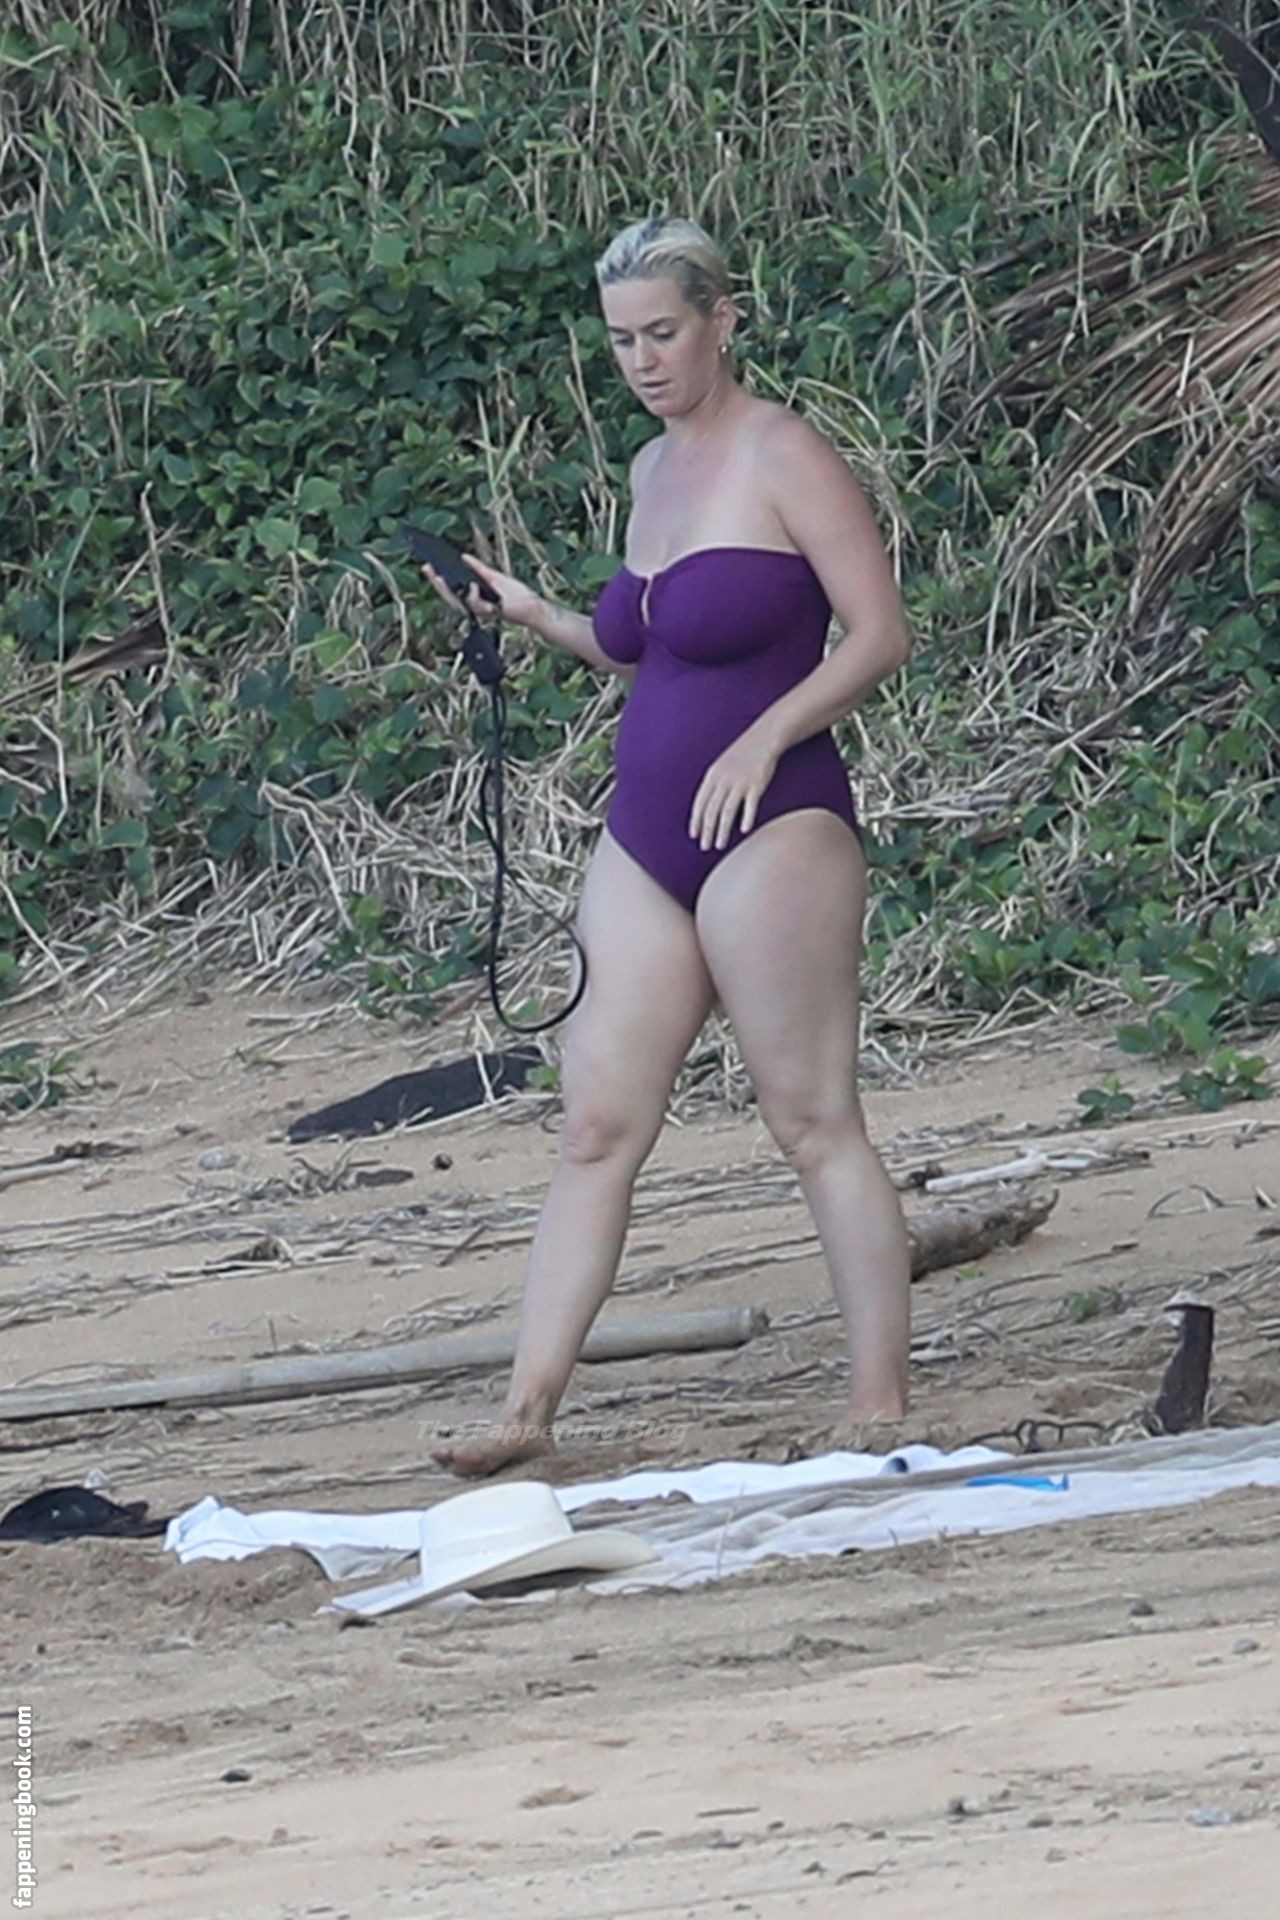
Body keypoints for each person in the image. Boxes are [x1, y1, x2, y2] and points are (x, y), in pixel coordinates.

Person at [420, 215, 913, 1478]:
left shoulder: (781, 451)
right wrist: (533, 613)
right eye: (620, 342)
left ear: (719, 322)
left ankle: (875, 1401)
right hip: (647, 834)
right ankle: (526, 1407)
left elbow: (876, 634)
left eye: (662, 333)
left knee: (809, 1116)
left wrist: (768, 736)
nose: (642, 361)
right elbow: (639, 648)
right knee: (595, 1124)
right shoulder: (649, 470)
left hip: (776, 819)